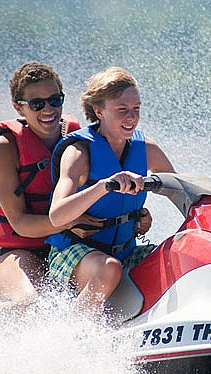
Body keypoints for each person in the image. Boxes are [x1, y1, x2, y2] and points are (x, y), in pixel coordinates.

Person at [46, 67, 175, 314]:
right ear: (99, 111)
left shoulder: (146, 148)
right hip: (74, 253)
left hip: (126, 250)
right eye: (122, 110)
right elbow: (57, 215)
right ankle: (72, 337)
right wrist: (104, 186)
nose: (131, 118)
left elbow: (182, 191)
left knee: (180, 254)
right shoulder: (79, 153)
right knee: (110, 268)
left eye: (136, 109)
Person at [0, 61, 103, 311]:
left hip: (65, 247)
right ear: (18, 107)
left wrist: (135, 216)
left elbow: (99, 190)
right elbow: (19, 223)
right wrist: (69, 222)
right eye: (37, 104)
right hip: (18, 250)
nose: (48, 109)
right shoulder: (5, 147)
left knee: (110, 278)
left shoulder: (76, 136)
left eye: (54, 100)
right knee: (28, 304)